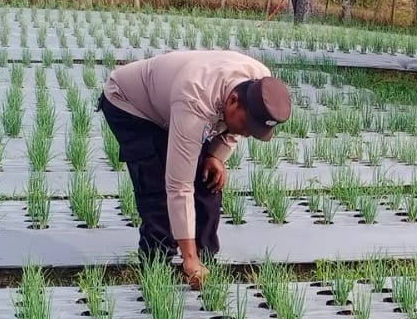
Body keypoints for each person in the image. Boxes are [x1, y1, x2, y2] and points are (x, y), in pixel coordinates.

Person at [98, 51, 292, 288]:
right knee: (157, 185)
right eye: (246, 125)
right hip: (130, 104)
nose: (246, 133)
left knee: (209, 178)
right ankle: (157, 266)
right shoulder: (196, 97)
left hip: (176, 102)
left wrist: (216, 155)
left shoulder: (260, 85)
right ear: (232, 101)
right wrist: (188, 257)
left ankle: (205, 260)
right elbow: (179, 185)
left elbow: (236, 129)